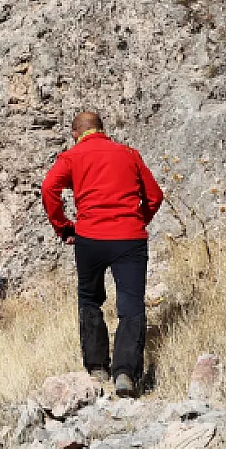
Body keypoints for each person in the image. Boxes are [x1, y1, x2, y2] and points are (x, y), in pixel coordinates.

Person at [41, 110, 164, 398]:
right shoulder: (128, 154)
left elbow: (48, 189)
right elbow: (155, 196)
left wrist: (63, 227)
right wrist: (137, 220)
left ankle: (97, 368)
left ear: (75, 133)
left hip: (90, 238)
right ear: (102, 129)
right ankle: (125, 374)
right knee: (131, 305)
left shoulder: (72, 157)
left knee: (89, 298)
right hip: (130, 239)